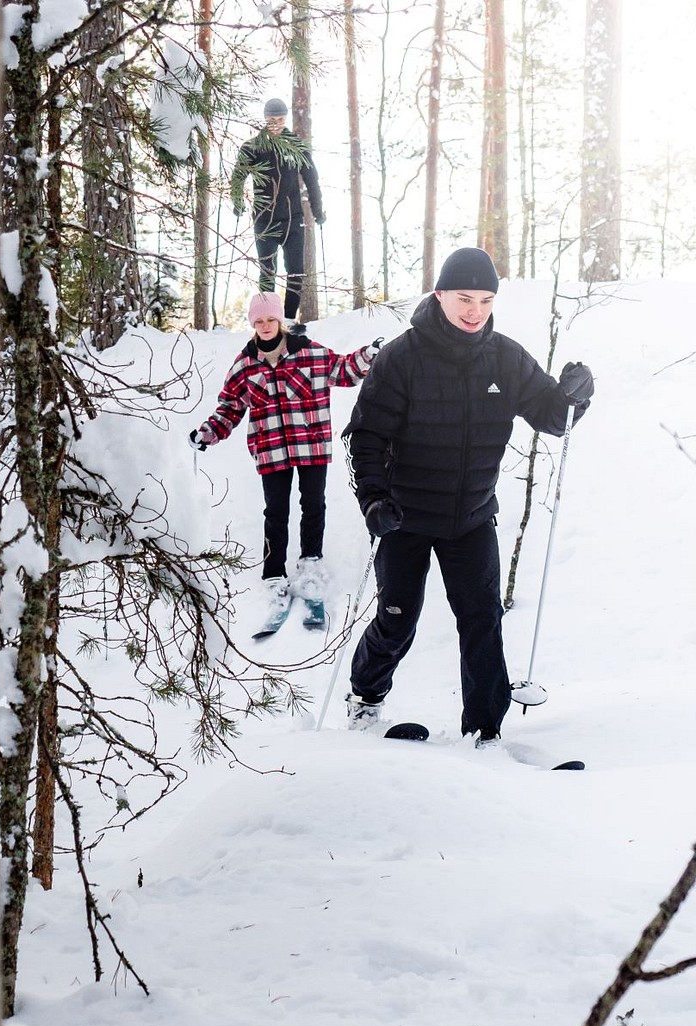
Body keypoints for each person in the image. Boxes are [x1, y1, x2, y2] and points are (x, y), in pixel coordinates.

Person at [340, 247, 594, 743]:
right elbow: (364, 435)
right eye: (464, 298)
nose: (475, 310)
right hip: (403, 517)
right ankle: (365, 700)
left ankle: (484, 728)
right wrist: (373, 499)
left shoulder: (506, 357)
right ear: (439, 295)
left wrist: (574, 397)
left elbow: (551, 415)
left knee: (482, 621)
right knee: (396, 621)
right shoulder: (402, 356)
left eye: (485, 299)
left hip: (472, 517)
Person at [190, 291, 381, 618]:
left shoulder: (309, 354)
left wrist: (369, 355)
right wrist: (209, 433)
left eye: (270, 320)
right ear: (253, 324)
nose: (265, 326)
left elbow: (344, 369)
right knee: (275, 511)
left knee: (313, 504)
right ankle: (274, 573)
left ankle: (310, 565)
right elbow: (230, 407)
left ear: (280, 321)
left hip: (311, 443)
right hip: (271, 446)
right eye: (259, 321)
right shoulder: (245, 364)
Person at [230, 98, 324, 335]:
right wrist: (237, 201)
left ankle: (290, 321)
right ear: (265, 119)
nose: (276, 125)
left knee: (296, 270)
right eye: (271, 120)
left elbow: (312, 180)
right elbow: (238, 176)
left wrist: (318, 210)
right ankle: (268, 321)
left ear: (286, 119)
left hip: (293, 219)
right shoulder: (252, 147)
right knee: (267, 271)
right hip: (265, 220)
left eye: (280, 120)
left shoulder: (297, 147)